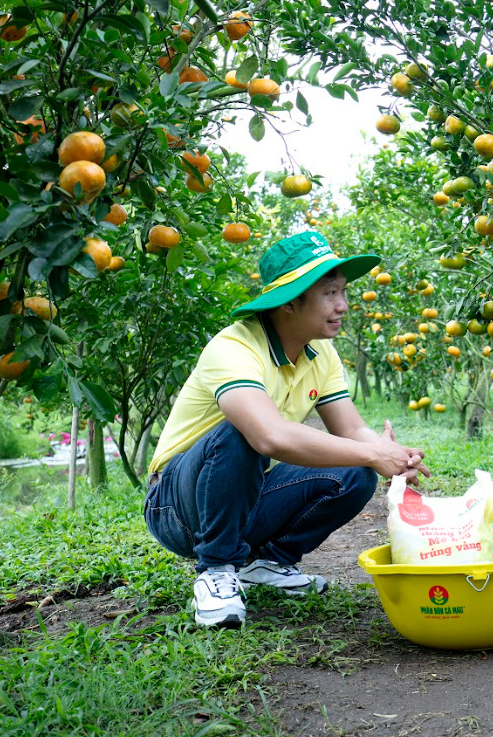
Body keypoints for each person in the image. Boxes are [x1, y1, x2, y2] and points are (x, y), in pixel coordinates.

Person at [144, 230, 427, 628]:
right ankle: (216, 571)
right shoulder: (235, 347)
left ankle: (265, 562)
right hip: (176, 506)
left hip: (245, 495)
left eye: (344, 291)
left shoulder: (321, 353)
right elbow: (268, 436)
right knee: (240, 433)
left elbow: (351, 431)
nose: (343, 305)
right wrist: (371, 452)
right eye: (330, 293)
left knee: (355, 472)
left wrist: (386, 452)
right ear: (291, 300)